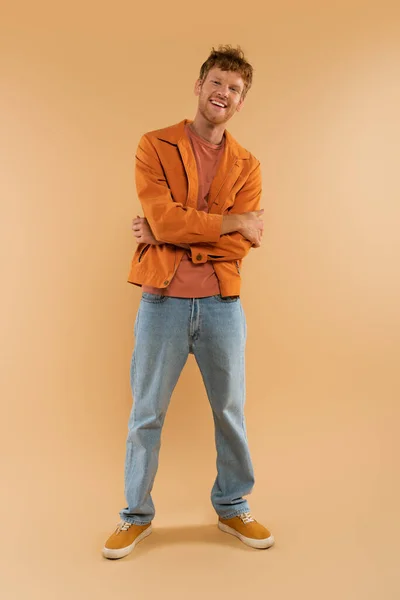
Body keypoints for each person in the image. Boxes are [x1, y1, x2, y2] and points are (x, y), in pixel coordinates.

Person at [102, 45, 274, 559]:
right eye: (217, 82)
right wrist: (213, 224)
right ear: (199, 86)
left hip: (223, 303)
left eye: (235, 89)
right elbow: (168, 215)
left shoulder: (247, 164)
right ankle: (135, 515)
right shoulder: (154, 145)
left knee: (230, 410)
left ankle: (233, 505)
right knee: (146, 413)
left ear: (241, 102)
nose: (224, 93)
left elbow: (244, 240)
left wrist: (164, 232)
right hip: (162, 302)